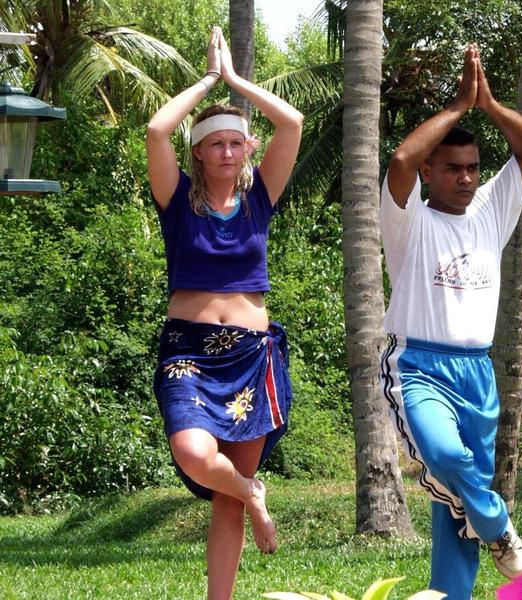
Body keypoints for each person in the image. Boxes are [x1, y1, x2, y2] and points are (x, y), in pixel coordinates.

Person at [379, 44, 522, 600]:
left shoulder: (491, 213)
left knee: (453, 501)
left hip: (477, 371)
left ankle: (450, 593)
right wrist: (457, 107)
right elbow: (400, 162)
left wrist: (491, 105)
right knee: (448, 461)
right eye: (452, 168)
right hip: (419, 365)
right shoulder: (407, 220)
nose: (467, 178)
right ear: (432, 171)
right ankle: (500, 528)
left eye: (474, 167)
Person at [146, 26, 303, 600]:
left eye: (237, 142)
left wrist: (238, 83)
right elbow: (156, 129)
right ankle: (253, 492)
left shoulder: (259, 198)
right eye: (216, 144)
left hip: (249, 355)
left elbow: (292, 123)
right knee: (193, 452)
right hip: (188, 352)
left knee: (226, 500)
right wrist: (210, 80)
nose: (228, 152)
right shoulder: (175, 200)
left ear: (248, 149)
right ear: (198, 152)